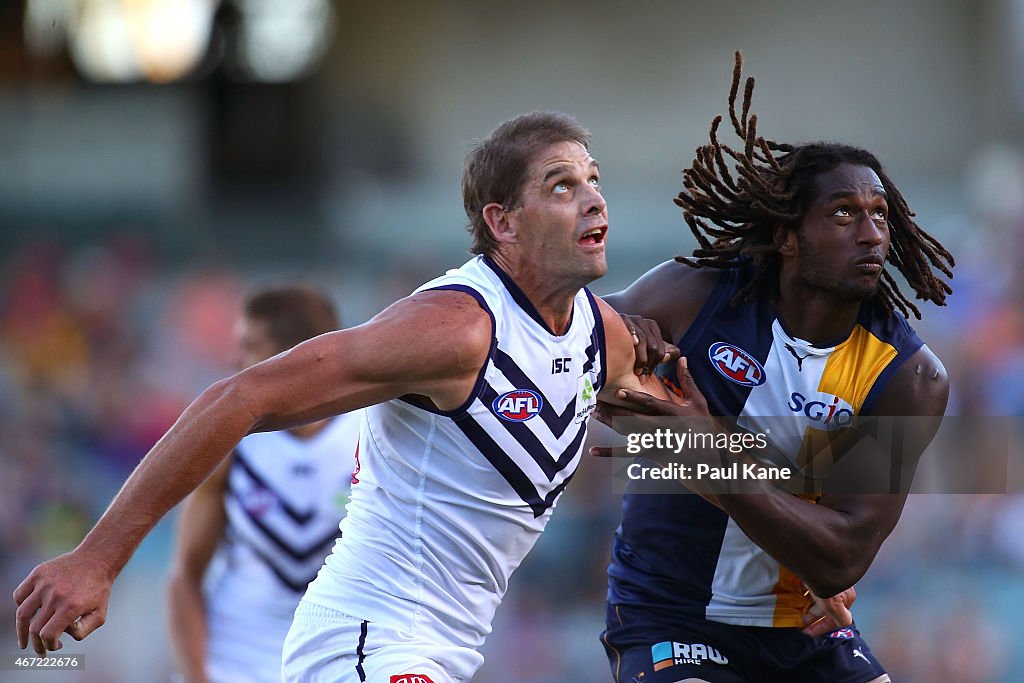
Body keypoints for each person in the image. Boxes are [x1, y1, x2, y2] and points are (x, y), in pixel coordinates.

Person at [14, 111, 676, 683]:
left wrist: (775, 486)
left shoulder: (603, 338)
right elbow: (240, 396)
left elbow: (690, 442)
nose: (595, 200)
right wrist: (98, 558)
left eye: (594, 180)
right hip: (364, 641)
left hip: (443, 654)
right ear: (502, 223)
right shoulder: (454, 327)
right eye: (563, 186)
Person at [597, 53, 955, 683]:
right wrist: (666, 430)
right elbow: (585, 370)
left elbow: (841, 556)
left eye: (881, 215)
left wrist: (711, 452)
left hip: (805, 634)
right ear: (788, 235)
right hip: (673, 616)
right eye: (844, 213)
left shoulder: (909, 377)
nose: (872, 234)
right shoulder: (694, 295)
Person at [167, 285, 361, 683]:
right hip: (235, 663)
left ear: (292, 357)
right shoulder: (229, 445)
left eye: (249, 345)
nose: (236, 360)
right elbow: (186, 576)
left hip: (337, 661)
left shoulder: (372, 441)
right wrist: (196, 678)